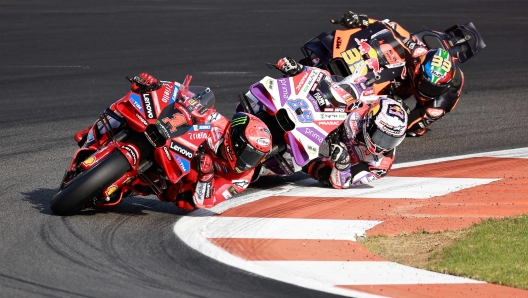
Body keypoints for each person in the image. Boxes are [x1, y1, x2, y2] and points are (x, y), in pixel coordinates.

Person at [74, 73, 272, 211]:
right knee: (135, 103)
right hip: (175, 144)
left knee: (185, 203)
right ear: (234, 139)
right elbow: (191, 101)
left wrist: (205, 176)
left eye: (256, 157)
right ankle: (94, 134)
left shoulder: (241, 178)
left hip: (187, 178)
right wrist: (156, 87)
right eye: (249, 154)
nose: (249, 162)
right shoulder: (219, 124)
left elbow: (208, 201)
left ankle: (127, 183)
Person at [298, 11, 464, 137]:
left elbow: (413, 127)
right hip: (401, 70)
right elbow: (391, 27)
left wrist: (402, 112)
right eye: (427, 83)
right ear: (419, 68)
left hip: (401, 93)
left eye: (433, 87)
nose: (428, 89)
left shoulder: (443, 100)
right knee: (385, 46)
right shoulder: (418, 52)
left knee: (390, 121)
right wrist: (361, 21)